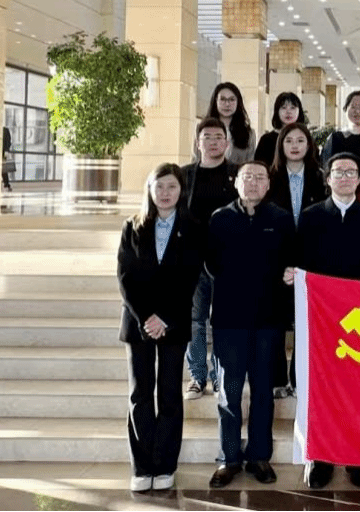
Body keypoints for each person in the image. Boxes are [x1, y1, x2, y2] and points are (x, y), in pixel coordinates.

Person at [285, 152, 360, 490]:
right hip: (323, 320)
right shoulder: (311, 217)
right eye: (338, 172)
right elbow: (301, 263)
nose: (344, 177)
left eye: (351, 172)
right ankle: (322, 457)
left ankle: (356, 457)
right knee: (323, 390)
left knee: (358, 391)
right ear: (328, 178)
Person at [206, 161, 295, 489]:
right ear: (236, 182)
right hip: (229, 321)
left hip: (268, 322)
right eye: (248, 177)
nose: (254, 182)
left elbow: (290, 263)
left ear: (268, 184)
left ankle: (259, 456)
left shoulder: (281, 219)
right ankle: (228, 458)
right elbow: (211, 264)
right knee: (229, 393)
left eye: (260, 177)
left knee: (262, 392)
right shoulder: (220, 219)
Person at [117, 163, 203, 492]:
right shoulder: (132, 226)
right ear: (149, 190)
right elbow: (125, 276)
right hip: (138, 323)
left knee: (169, 395)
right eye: (159, 186)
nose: (165, 193)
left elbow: (189, 278)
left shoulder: (193, 227)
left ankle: (165, 465)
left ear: (181, 190)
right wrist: (146, 317)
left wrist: (164, 317)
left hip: (173, 323)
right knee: (140, 394)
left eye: (172, 187)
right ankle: (142, 467)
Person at [267, 122, 328, 399]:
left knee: (305, 321)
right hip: (276, 259)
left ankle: (299, 378)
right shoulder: (270, 177)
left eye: (300, 140)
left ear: (309, 145)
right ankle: (279, 378)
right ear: (281, 145)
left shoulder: (320, 177)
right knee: (277, 322)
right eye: (289, 140)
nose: (294, 145)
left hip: (309, 259)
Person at [181, 119, 239, 400]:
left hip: (227, 260)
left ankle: (219, 376)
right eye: (207, 137)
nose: (213, 142)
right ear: (197, 143)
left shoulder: (237, 174)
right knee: (195, 320)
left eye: (218, 137)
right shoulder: (184, 175)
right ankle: (197, 376)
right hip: (193, 260)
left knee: (223, 320)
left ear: (226, 143)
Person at [320, 91, 360, 165]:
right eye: (353, 107)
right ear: (345, 109)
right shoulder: (335, 138)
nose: (357, 111)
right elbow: (325, 165)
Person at [207, 82, 256, 165]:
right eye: (222, 99)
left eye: (232, 99)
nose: (227, 104)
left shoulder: (249, 134)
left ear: (238, 102)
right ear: (215, 101)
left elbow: (249, 164)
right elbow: (196, 160)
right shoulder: (204, 129)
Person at [255, 92, 306, 167]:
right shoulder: (266, 140)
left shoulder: (305, 138)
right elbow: (259, 166)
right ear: (277, 111)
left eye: (292, 108)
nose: (288, 112)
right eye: (283, 107)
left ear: (299, 111)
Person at [1, 126, 13, 191]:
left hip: (3, 153)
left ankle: (7, 184)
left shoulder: (5, 130)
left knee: (3, 169)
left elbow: (8, 142)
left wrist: (6, 151)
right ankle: (6, 184)